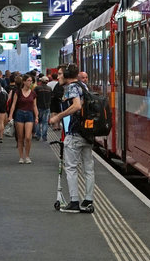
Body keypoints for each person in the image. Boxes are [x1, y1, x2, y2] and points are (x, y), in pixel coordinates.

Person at [48, 63, 95, 214]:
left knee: (71, 168)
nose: (58, 77)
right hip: (87, 133)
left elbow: (76, 106)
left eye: (60, 74)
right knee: (88, 168)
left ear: (67, 75)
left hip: (75, 133)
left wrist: (58, 117)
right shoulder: (83, 86)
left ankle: (74, 201)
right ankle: (88, 200)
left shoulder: (72, 87)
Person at [10, 74, 38, 164]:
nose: (30, 82)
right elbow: (13, 104)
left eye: (31, 81)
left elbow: (34, 106)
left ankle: (27, 156)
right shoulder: (18, 92)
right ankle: (21, 157)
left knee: (28, 137)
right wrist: (10, 115)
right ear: (24, 82)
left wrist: (37, 116)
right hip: (19, 114)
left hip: (29, 114)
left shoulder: (33, 93)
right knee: (20, 137)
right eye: (29, 81)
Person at [33, 75, 52, 141]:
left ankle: (38, 135)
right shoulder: (49, 89)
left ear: (41, 81)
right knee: (45, 122)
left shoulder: (37, 88)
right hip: (47, 107)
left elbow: (34, 97)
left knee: (37, 121)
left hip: (38, 106)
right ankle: (44, 136)